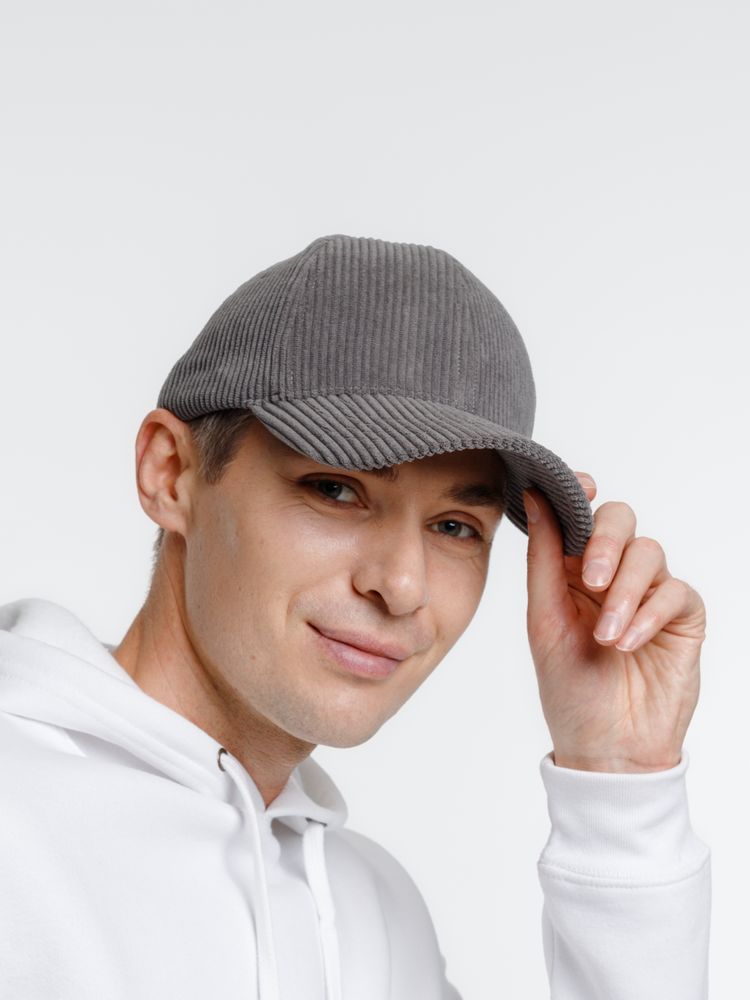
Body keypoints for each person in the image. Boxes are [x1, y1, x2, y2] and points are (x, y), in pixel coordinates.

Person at [0, 234, 710, 999]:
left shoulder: (375, 916)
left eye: (454, 527)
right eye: (336, 490)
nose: (401, 585)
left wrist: (620, 792)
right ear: (171, 473)